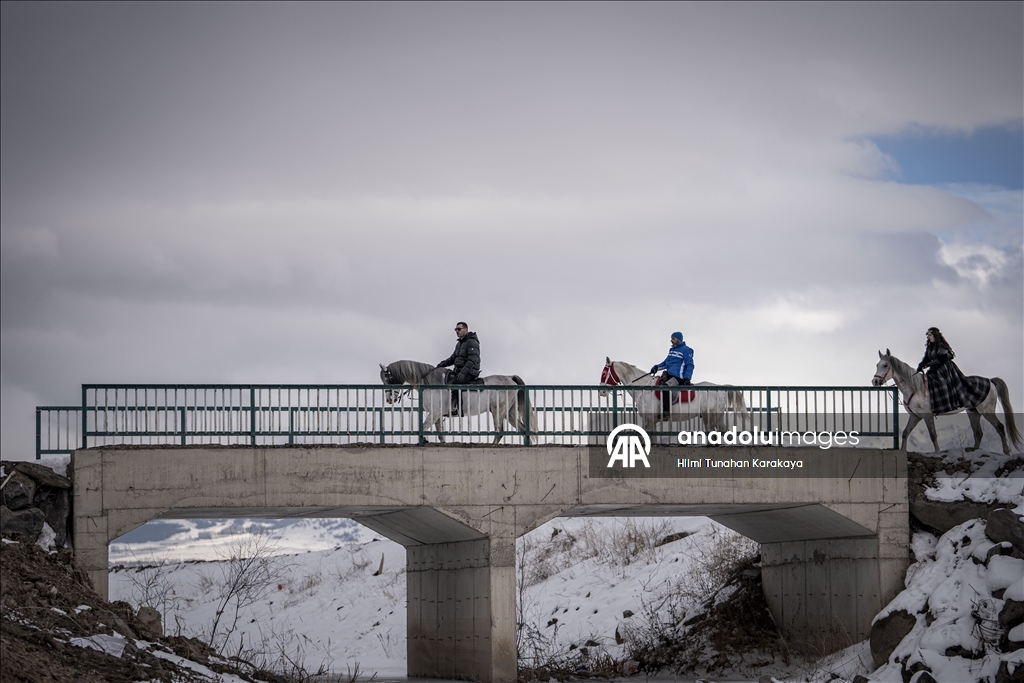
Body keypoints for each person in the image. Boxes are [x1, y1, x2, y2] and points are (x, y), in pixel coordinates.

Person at [915, 327, 986, 413]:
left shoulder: (941, 345)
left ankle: (949, 404)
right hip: (934, 370)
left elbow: (943, 359)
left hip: (944, 369)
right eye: (928, 335)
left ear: (935, 335)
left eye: (930, 335)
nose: (929, 337)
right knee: (929, 382)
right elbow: (926, 358)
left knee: (942, 384)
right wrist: (921, 365)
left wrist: (930, 364)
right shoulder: (930, 346)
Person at [437, 322, 480, 416]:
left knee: (455, 383)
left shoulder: (472, 342)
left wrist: (464, 373)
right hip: (459, 370)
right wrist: (442, 364)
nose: (457, 331)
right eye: (456, 329)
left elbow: (472, 360)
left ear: (466, 329)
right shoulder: (459, 343)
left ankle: (458, 409)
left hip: (470, 371)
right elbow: (453, 358)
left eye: (459, 329)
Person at [650, 331, 694, 417]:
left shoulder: (687, 350)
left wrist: (687, 377)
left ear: (679, 339)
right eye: (671, 338)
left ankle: (666, 412)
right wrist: (656, 367)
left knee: (665, 387)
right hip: (669, 375)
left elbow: (690, 365)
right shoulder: (671, 350)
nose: (671, 340)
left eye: (673, 338)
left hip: (678, 377)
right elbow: (666, 363)